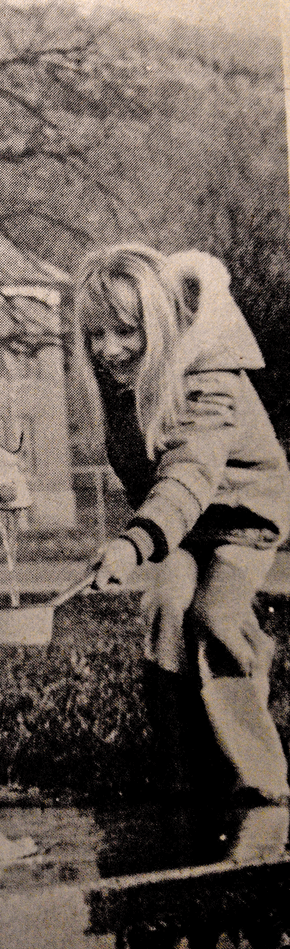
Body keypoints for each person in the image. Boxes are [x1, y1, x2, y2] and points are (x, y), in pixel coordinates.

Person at [73, 243, 290, 806]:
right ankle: (183, 770)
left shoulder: (210, 373)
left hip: (241, 516)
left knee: (214, 615)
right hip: (180, 524)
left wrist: (134, 543)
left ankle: (260, 777)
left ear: (162, 324)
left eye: (126, 331)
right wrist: (148, 537)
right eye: (96, 335)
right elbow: (151, 478)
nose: (108, 349)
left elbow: (190, 473)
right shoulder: (121, 384)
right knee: (165, 607)